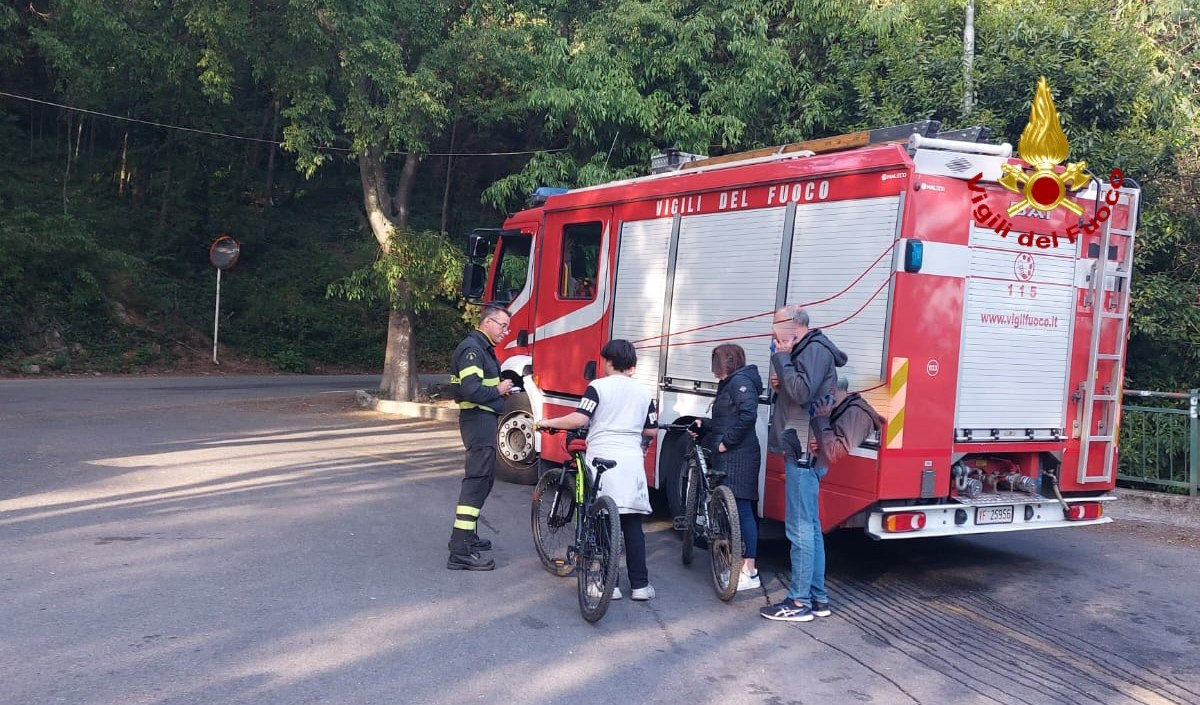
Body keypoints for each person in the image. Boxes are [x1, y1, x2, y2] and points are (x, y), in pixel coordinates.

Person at [538, 339, 658, 601]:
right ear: (631, 364)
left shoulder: (598, 387)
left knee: (602, 520)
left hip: (603, 458)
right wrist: (641, 443)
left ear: (608, 361)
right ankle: (640, 586)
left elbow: (580, 419)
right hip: (631, 462)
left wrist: (548, 421)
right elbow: (651, 430)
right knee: (631, 523)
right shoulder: (643, 393)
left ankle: (608, 585)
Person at [760, 305, 847, 622]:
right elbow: (800, 391)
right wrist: (782, 376)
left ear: (793, 326)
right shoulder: (809, 349)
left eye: (776, 326)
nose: (772, 332)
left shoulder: (813, 350)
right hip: (806, 443)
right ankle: (817, 598)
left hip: (804, 448)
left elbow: (801, 392)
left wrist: (783, 360)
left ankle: (798, 603)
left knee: (800, 528)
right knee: (809, 526)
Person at [446, 304, 515, 571]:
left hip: (483, 419)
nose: (506, 332)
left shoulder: (482, 349)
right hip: (477, 419)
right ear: (487, 322)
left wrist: (498, 391)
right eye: (503, 326)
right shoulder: (472, 349)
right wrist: (498, 389)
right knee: (476, 481)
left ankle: (468, 538)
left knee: (484, 480)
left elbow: (477, 388)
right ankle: (459, 548)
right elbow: (471, 389)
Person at [691, 344, 764, 591]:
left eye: (716, 366)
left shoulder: (739, 382)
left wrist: (725, 443)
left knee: (742, 509)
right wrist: (706, 424)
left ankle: (750, 570)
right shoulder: (731, 382)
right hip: (732, 454)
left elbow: (747, 415)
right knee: (739, 510)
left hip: (739, 457)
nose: (714, 372)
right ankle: (741, 566)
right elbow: (729, 419)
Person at [812, 377, 884, 468]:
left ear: (831, 391)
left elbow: (834, 454)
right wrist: (819, 446)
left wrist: (821, 418)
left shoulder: (854, 413)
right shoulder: (842, 410)